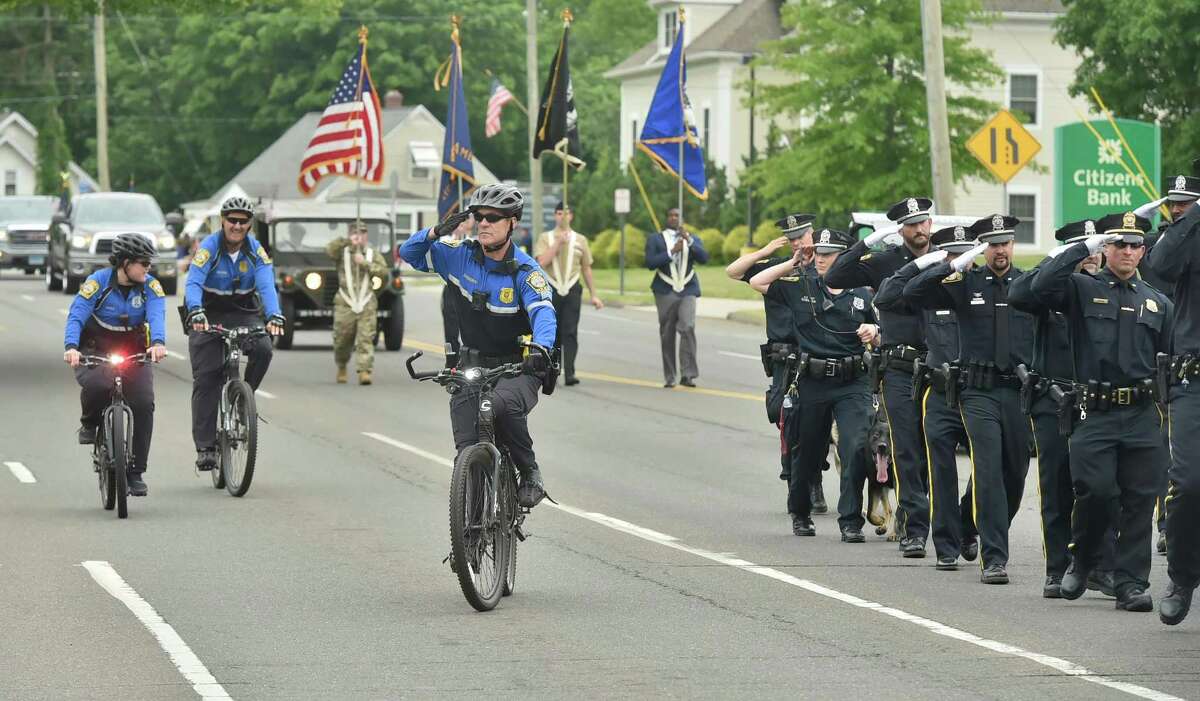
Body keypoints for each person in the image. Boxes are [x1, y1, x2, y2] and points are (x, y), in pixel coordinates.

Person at [1026, 212, 1172, 612]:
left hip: (1142, 413)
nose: (1127, 251)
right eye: (1119, 244)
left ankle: (1131, 582)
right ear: (1106, 248)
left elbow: (1173, 360)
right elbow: (1039, 286)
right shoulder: (1081, 288)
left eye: (1134, 245)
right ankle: (1083, 558)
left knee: (1140, 500)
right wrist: (1082, 247)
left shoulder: (1157, 303)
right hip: (1095, 411)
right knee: (1096, 491)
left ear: (1143, 251)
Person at [399, 183, 558, 508]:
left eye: (493, 217)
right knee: (466, 446)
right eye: (478, 216)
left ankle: (530, 472)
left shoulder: (527, 272)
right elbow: (408, 254)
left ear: (512, 222)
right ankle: (469, 531)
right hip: (472, 365)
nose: (484, 223)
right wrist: (433, 232)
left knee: (498, 405)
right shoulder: (458, 257)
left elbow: (544, 313)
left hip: (519, 366)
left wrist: (541, 348)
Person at [904, 214, 1035, 585]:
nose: (1000, 250)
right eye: (993, 244)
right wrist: (950, 265)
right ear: (983, 249)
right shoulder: (965, 282)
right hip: (977, 392)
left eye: (1005, 243)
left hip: (1015, 392)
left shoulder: (1026, 284)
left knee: (1015, 472)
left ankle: (969, 524)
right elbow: (913, 294)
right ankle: (994, 558)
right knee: (989, 470)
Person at [1010, 219, 1117, 598]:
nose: (1091, 257)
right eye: (1082, 249)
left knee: (1100, 487)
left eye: (1095, 248)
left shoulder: (1110, 288)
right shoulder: (1050, 291)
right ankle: (1058, 567)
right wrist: (1065, 257)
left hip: (1096, 401)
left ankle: (1100, 565)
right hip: (1052, 400)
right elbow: (1018, 293)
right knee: (1057, 487)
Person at [751, 228, 878, 540]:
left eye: (828, 254)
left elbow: (881, 327)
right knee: (806, 452)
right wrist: (793, 263)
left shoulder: (862, 293)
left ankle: (850, 521)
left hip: (853, 381)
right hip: (812, 381)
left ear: (844, 257)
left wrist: (873, 330)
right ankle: (801, 512)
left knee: (854, 448)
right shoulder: (801, 286)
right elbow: (758, 282)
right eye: (818, 254)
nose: (821, 260)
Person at [826, 197, 934, 558]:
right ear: (900, 229)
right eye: (911, 224)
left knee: (937, 450)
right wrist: (869, 242)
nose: (919, 229)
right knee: (906, 450)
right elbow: (836, 275)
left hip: (941, 365)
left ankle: (953, 522)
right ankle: (914, 528)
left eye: (923, 222)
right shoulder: (885, 261)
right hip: (900, 367)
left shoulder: (947, 258)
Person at [875, 224, 978, 570]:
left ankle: (968, 520)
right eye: (952, 253)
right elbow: (886, 298)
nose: (959, 260)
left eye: (965, 253)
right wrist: (927, 266)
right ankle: (916, 529)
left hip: (969, 384)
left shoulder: (979, 286)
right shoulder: (925, 288)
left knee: (991, 461)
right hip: (919, 378)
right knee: (913, 454)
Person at [726, 214, 828, 511]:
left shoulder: (826, 266)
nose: (797, 242)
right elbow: (733, 272)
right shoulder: (777, 268)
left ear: (813, 235)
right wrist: (765, 252)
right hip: (785, 358)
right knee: (788, 422)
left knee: (820, 422)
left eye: (802, 236)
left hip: (817, 354)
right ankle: (795, 483)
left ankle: (815, 481)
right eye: (792, 238)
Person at [63, 232, 168, 496]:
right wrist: (71, 347)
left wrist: (157, 342)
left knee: (144, 403)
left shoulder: (150, 286)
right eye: (143, 263)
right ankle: (89, 423)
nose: (148, 268)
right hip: (95, 347)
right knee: (98, 384)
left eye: (149, 264)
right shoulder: (97, 283)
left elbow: (157, 314)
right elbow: (77, 314)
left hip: (132, 348)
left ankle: (135, 473)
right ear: (125, 263)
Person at [184, 196, 284, 472]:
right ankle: (205, 447)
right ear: (222, 221)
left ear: (250, 225)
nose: (237, 226)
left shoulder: (255, 251)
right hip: (208, 313)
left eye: (243, 221)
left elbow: (266, 283)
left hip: (243, 310)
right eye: (232, 220)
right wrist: (195, 311)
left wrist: (274, 314)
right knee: (207, 378)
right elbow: (193, 282)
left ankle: (244, 398)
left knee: (264, 349)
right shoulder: (209, 248)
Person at [1146, 179, 1200, 625]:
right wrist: (1194, 216)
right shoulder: (1187, 233)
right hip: (1194, 378)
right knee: (1189, 482)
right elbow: (1159, 266)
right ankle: (1182, 576)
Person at [534, 202, 604, 386]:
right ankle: (552, 370)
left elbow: (586, 268)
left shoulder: (580, 240)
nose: (562, 217)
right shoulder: (545, 238)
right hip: (551, 288)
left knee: (570, 332)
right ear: (555, 216)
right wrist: (558, 243)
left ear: (571, 216)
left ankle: (570, 372)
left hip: (572, 289)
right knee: (553, 332)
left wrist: (594, 294)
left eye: (565, 213)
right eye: (558, 213)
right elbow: (541, 262)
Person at [646, 207, 709, 388]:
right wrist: (672, 251)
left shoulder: (693, 238)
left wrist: (688, 240)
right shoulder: (656, 239)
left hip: (688, 288)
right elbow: (650, 263)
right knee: (667, 333)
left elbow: (704, 258)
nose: (674, 218)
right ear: (667, 218)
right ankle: (670, 376)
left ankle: (688, 374)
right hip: (665, 289)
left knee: (688, 327)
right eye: (671, 215)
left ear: (682, 218)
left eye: (678, 215)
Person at [327, 221, 388, 385]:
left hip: (366, 301)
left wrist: (365, 263)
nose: (359, 235)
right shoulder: (342, 252)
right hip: (345, 302)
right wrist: (347, 241)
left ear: (366, 235)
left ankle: (364, 370)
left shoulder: (371, 253)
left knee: (366, 338)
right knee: (342, 339)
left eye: (362, 233)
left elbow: (384, 272)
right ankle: (341, 365)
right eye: (355, 232)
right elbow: (329, 250)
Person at [439, 214, 474, 356]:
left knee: (470, 327)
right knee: (451, 330)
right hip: (451, 288)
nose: (460, 227)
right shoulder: (445, 240)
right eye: (457, 225)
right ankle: (451, 360)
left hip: (468, 290)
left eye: (463, 224)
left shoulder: (472, 242)